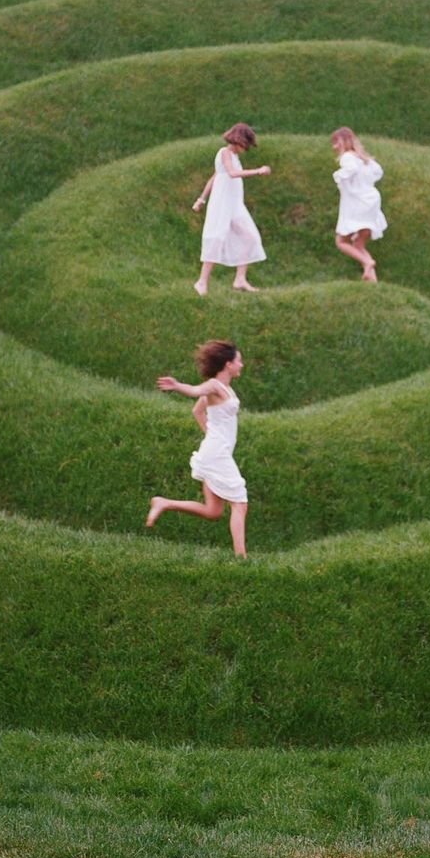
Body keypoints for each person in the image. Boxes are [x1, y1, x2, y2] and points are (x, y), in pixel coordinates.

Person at [147, 340, 249, 558]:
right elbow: (195, 391)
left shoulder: (224, 389)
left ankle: (164, 503)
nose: (241, 365)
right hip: (216, 455)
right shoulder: (214, 386)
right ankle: (242, 559)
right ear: (228, 364)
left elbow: (197, 412)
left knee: (213, 511)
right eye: (238, 361)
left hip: (214, 452)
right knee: (239, 503)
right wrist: (177, 386)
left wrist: (212, 436)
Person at [192, 123, 271, 295]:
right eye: (245, 145)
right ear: (238, 141)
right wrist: (258, 171)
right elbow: (230, 173)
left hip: (235, 204)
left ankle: (240, 279)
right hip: (222, 203)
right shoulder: (224, 153)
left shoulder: (235, 157)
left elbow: (213, 178)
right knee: (216, 237)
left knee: (250, 237)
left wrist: (200, 199)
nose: (246, 149)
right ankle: (201, 282)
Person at [331, 126, 387, 282]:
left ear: (342, 142)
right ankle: (373, 282)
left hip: (357, 203)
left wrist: (338, 175)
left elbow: (351, 169)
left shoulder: (347, 157)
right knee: (358, 245)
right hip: (371, 202)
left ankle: (367, 262)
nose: (334, 147)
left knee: (341, 241)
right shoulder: (365, 160)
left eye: (335, 143)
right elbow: (378, 172)